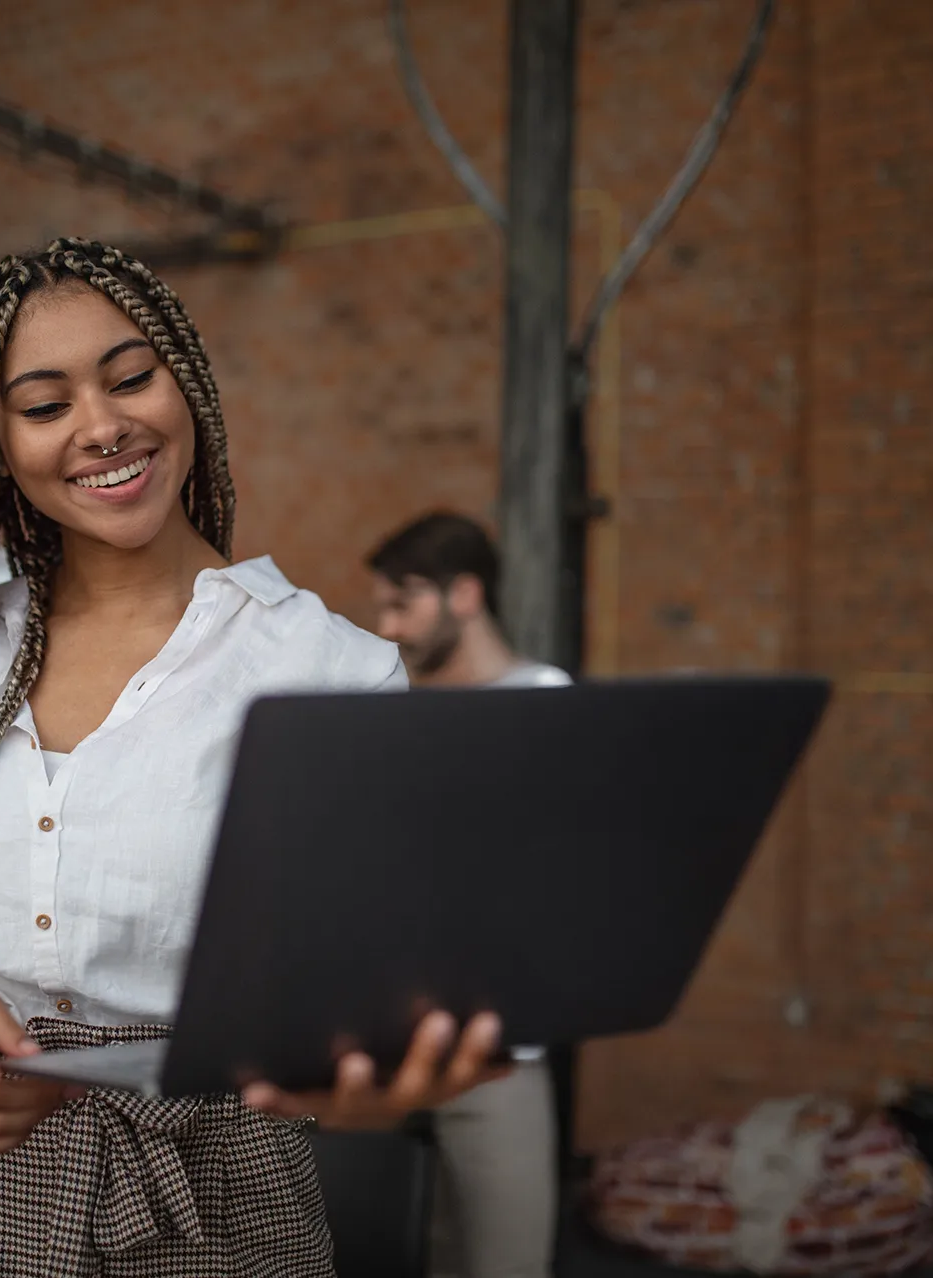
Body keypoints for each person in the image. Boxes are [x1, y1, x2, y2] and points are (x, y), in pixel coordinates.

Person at [0, 239, 509, 1276]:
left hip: (221, 1209)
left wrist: (377, 1057)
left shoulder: (331, 669)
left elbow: (388, 987)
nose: (102, 426)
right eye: (45, 405)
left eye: (131, 377)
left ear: (185, 382)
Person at [366, 510, 570, 1278]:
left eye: (403, 603)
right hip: (378, 1041)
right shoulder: (388, 706)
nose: (387, 627)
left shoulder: (544, 701)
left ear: (465, 594)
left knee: (504, 1262)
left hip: (495, 1047)